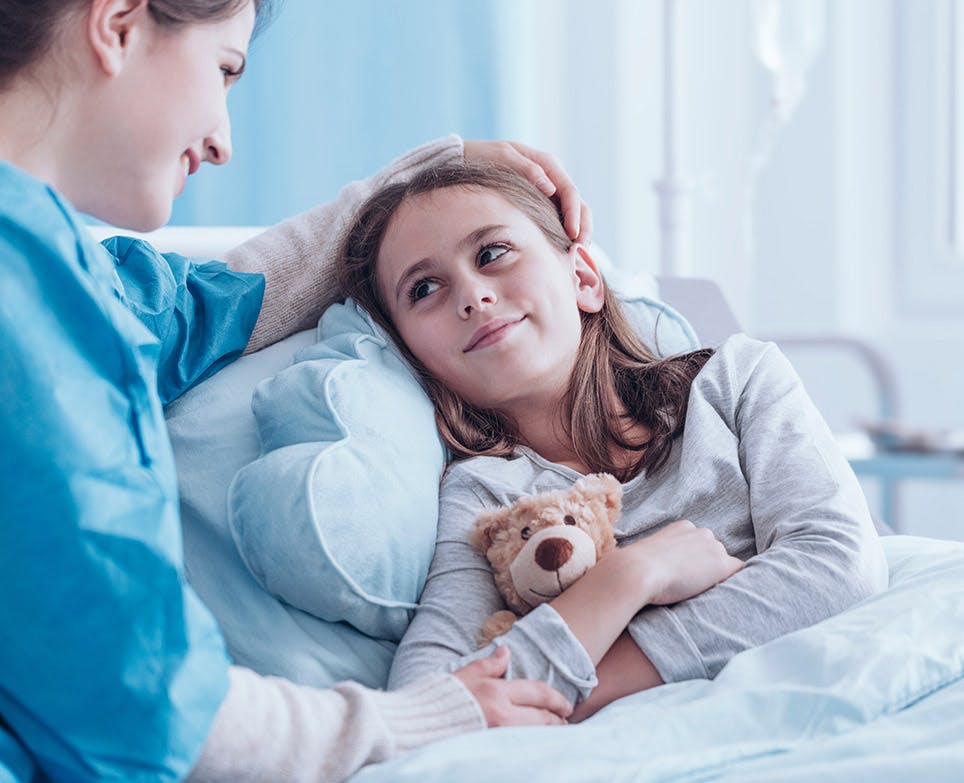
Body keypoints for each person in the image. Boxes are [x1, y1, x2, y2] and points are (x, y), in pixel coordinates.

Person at [0, 2, 588, 781]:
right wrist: (421, 715)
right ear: (116, 25)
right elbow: (144, 711)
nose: (222, 141)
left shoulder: (66, 275)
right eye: (224, 70)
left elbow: (195, 309)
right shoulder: (27, 293)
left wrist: (417, 187)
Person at [337, 163, 890, 723]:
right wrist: (628, 577)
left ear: (583, 278)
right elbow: (431, 700)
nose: (473, 296)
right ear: (414, 357)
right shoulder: (482, 496)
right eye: (424, 288)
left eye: (492, 253)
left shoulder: (738, 382)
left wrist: (585, 690)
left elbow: (839, 565)